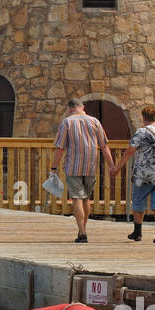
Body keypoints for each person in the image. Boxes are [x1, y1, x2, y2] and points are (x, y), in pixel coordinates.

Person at [50, 97, 114, 243]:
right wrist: (111, 166)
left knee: (76, 198)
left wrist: (53, 168)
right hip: (91, 166)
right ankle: (82, 230)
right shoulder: (95, 121)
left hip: (73, 166)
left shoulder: (66, 122)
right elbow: (104, 146)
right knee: (86, 199)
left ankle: (82, 232)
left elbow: (60, 148)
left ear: (70, 108)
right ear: (82, 107)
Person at [110, 104, 155, 244]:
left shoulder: (141, 132)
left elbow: (130, 151)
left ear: (144, 117)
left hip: (143, 173)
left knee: (139, 201)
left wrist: (117, 168)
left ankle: (138, 232)